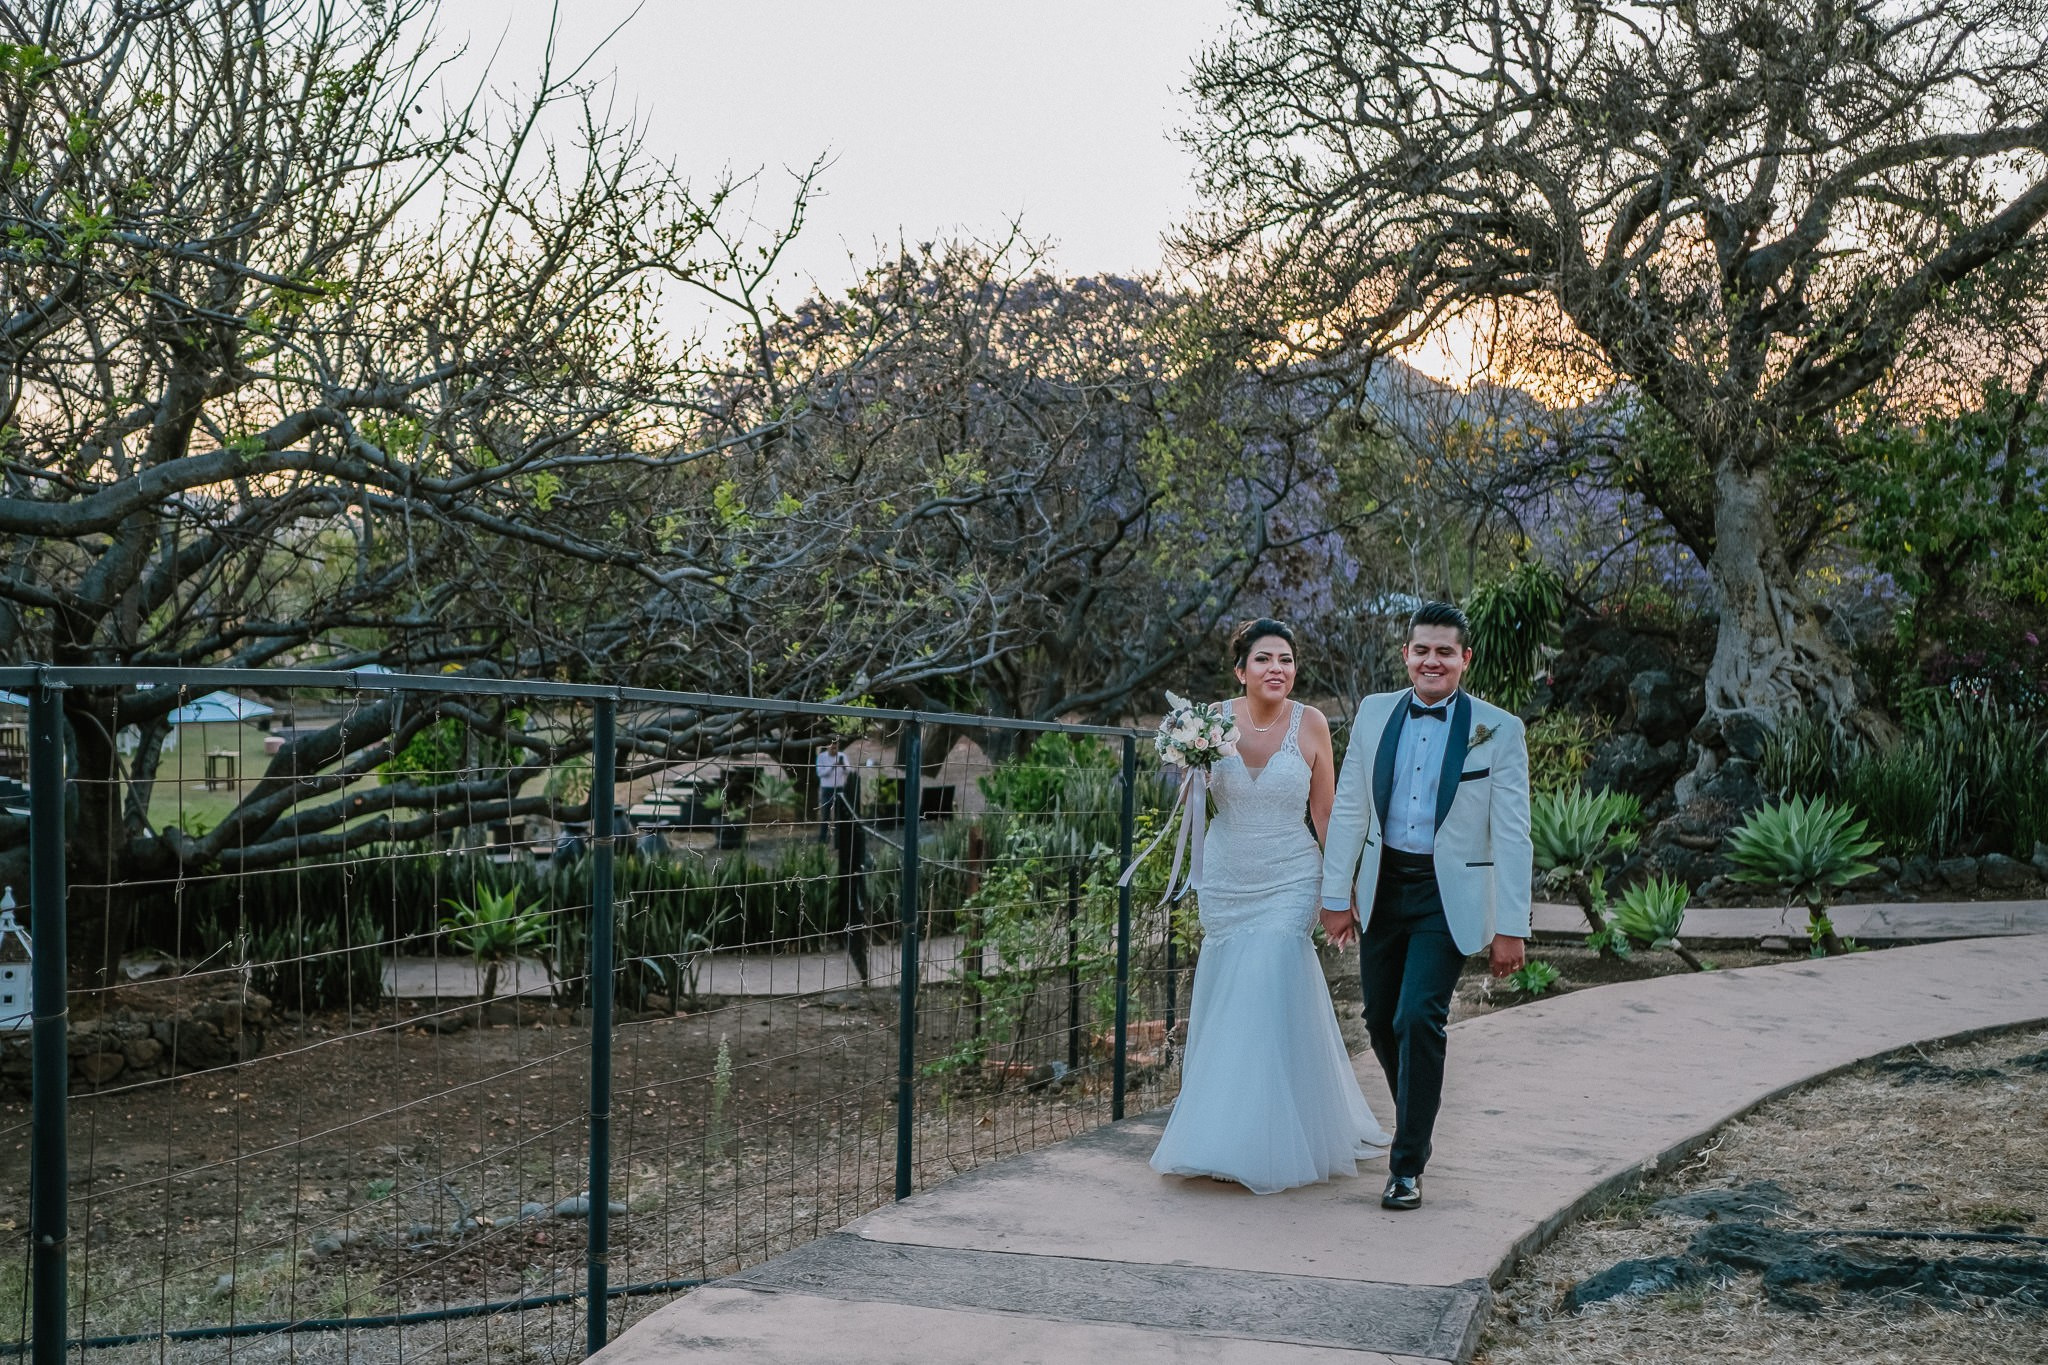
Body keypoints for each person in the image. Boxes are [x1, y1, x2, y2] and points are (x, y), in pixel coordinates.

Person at [1149, 618, 1394, 1193]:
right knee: (1233, 993)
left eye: (1285, 659)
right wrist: (1190, 765)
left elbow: (1326, 813)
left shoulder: (1312, 724)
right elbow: (1194, 802)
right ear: (1241, 669)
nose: (1276, 669)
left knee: (1268, 979)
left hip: (1290, 875)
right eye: (1263, 659)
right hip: (1229, 876)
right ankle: (1220, 1129)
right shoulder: (1207, 723)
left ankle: (1273, 1138)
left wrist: (1343, 887)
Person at [1319, 601, 1533, 1211]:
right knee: (1381, 1021)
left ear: (1465, 659)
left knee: (1419, 1017)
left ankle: (1407, 1163)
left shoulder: (1500, 729)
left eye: (1445, 651)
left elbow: (1513, 833)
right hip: (1384, 888)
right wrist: (1337, 895)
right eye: (1422, 650)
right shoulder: (1373, 714)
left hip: (1449, 897)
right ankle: (1418, 1110)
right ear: (1406, 655)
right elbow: (1351, 809)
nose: (1431, 660)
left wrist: (1511, 926)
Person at [815, 739, 849, 843]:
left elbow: (849, 771)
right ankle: (823, 839)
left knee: (840, 815)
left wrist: (843, 765)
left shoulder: (842, 756)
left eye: (836, 746)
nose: (834, 749)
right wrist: (832, 766)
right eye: (832, 746)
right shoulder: (821, 757)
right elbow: (820, 773)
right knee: (825, 815)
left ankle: (840, 840)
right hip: (827, 789)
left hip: (840, 789)